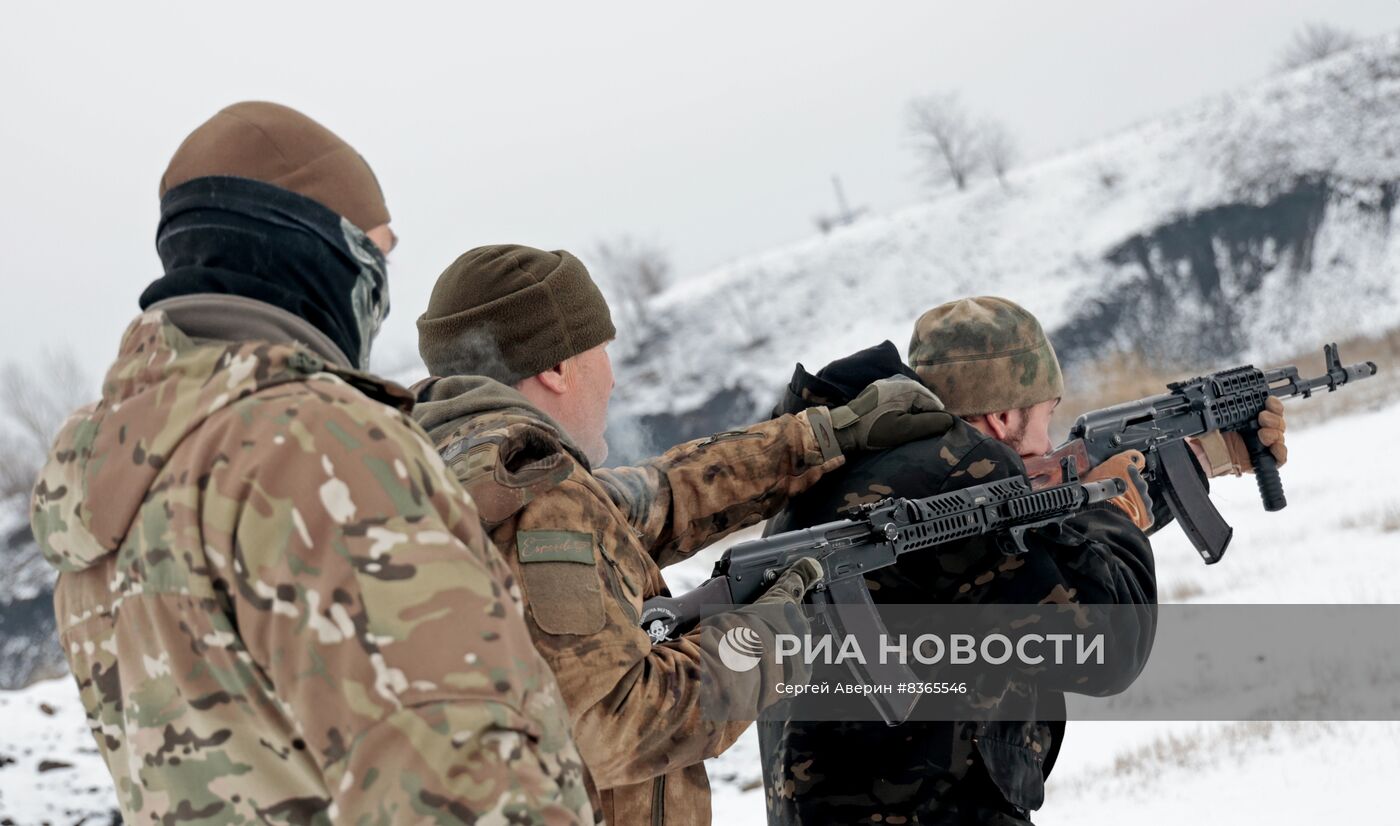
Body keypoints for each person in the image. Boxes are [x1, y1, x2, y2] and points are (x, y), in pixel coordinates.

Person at [30, 103, 597, 824]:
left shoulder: (116, 479)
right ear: (324, 256)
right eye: (378, 257)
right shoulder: (313, 448)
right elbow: (466, 790)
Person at [410, 243, 953, 825]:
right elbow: (617, 726)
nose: (611, 378)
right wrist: (775, 635)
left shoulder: (443, 480)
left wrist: (824, 436)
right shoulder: (537, 496)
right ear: (557, 368)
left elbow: (659, 498)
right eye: (601, 350)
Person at [758, 296, 1288, 825]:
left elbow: (1041, 577)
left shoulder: (842, 473)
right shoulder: (963, 478)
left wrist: (1197, 462)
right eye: (1044, 417)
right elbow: (1108, 644)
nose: (1049, 442)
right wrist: (1111, 509)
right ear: (1004, 414)